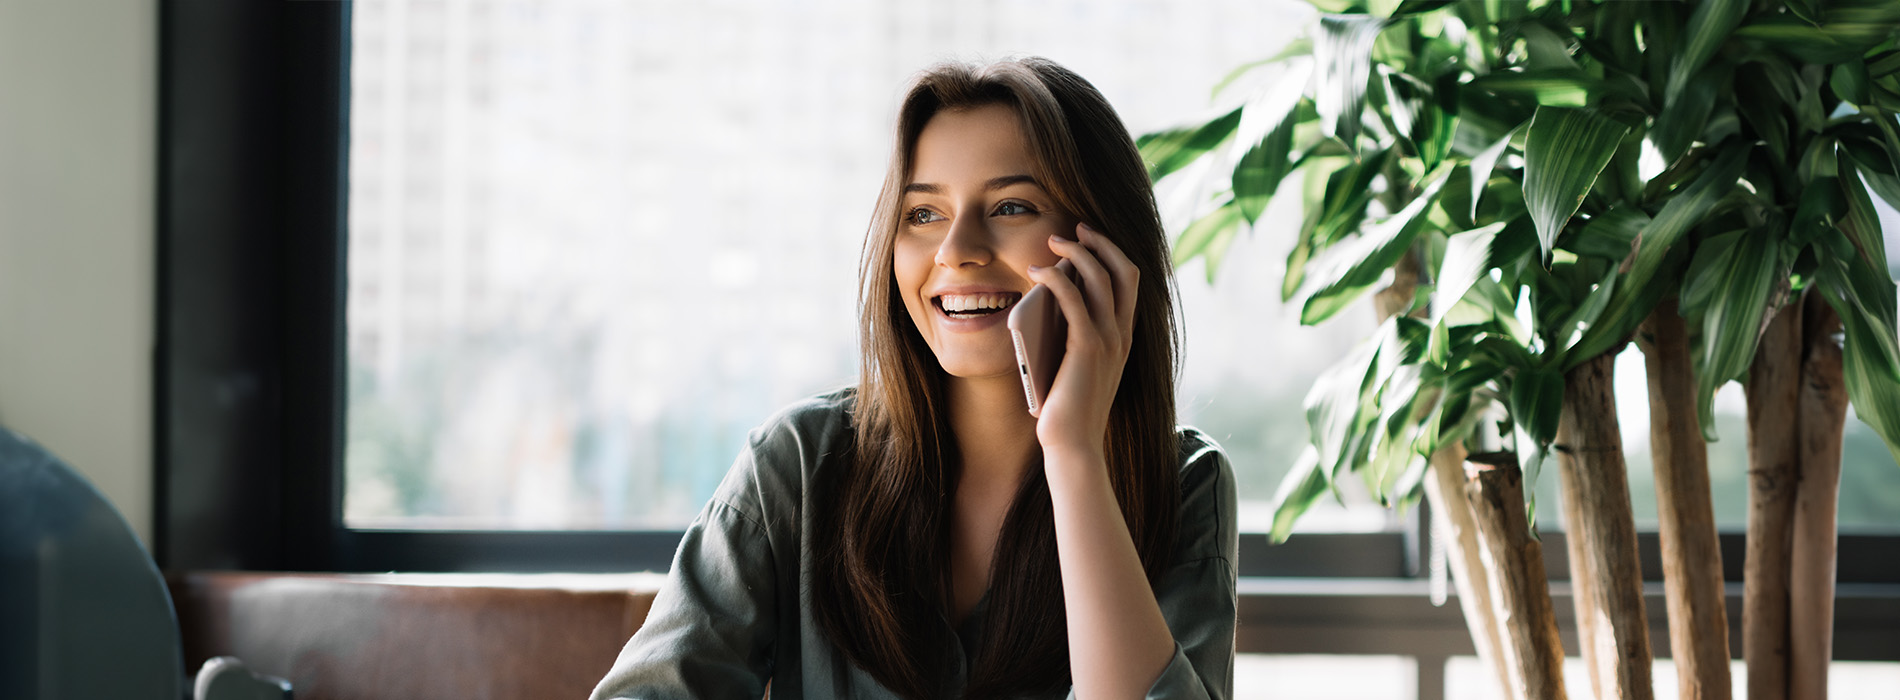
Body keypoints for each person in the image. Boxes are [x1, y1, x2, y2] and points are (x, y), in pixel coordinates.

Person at [590, 56, 1236, 700]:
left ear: (1102, 250)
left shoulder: (1183, 484)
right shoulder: (798, 464)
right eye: (923, 214)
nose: (956, 250)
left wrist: (1073, 451)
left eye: (1011, 206)